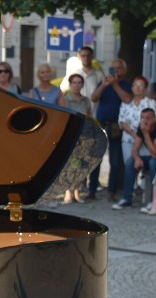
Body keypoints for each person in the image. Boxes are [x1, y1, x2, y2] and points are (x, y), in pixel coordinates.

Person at [88, 58, 132, 201]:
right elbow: (94, 98)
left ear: (124, 70)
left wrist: (115, 85)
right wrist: (104, 85)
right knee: (96, 159)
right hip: (101, 124)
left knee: (115, 160)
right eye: (113, 68)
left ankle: (111, 191)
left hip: (115, 126)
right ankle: (92, 190)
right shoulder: (104, 82)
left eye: (118, 68)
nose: (116, 71)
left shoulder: (126, 84)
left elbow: (127, 99)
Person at [114, 108, 156, 210]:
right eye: (142, 118)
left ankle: (153, 202)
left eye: (148, 118)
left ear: (154, 119)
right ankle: (126, 199)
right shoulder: (142, 127)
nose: (144, 121)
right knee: (130, 161)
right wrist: (137, 158)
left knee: (153, 162)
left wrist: (146, 134)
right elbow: (135, 149)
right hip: (153, 157)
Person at [57, 73, 91, 203]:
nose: (77, 85)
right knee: (67, 165)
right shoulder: (65, 99)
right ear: (70, 84)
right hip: (70, 135)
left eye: (79, 82)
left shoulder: (86, 100)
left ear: (82, 85)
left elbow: (90, 117)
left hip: (83, 136)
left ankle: (76, 192)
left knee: (79, 166)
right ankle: (67, 192)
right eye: (74, 83)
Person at [117, 74, 156, 181]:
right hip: (128, 139)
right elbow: (121, 122)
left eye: (141, 85)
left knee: (146, 163)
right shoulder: (126, 103)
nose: (137, 87)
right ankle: (131, 190)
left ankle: (145, 189)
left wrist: (142, 134)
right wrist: (134, 134)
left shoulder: (150, 102)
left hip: (146, 138)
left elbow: (153, 120)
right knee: (129, 164)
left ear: (145, 88)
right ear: (132, 87)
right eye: (135, 85)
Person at [59, 46, 104, 114]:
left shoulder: (99, 75)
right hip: (78, 112)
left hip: (95, 112)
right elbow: (63, 91)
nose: (86, 58)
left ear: (92, 57)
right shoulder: (74, 73)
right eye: (83, 56)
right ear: (79, 57)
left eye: (88, 56)